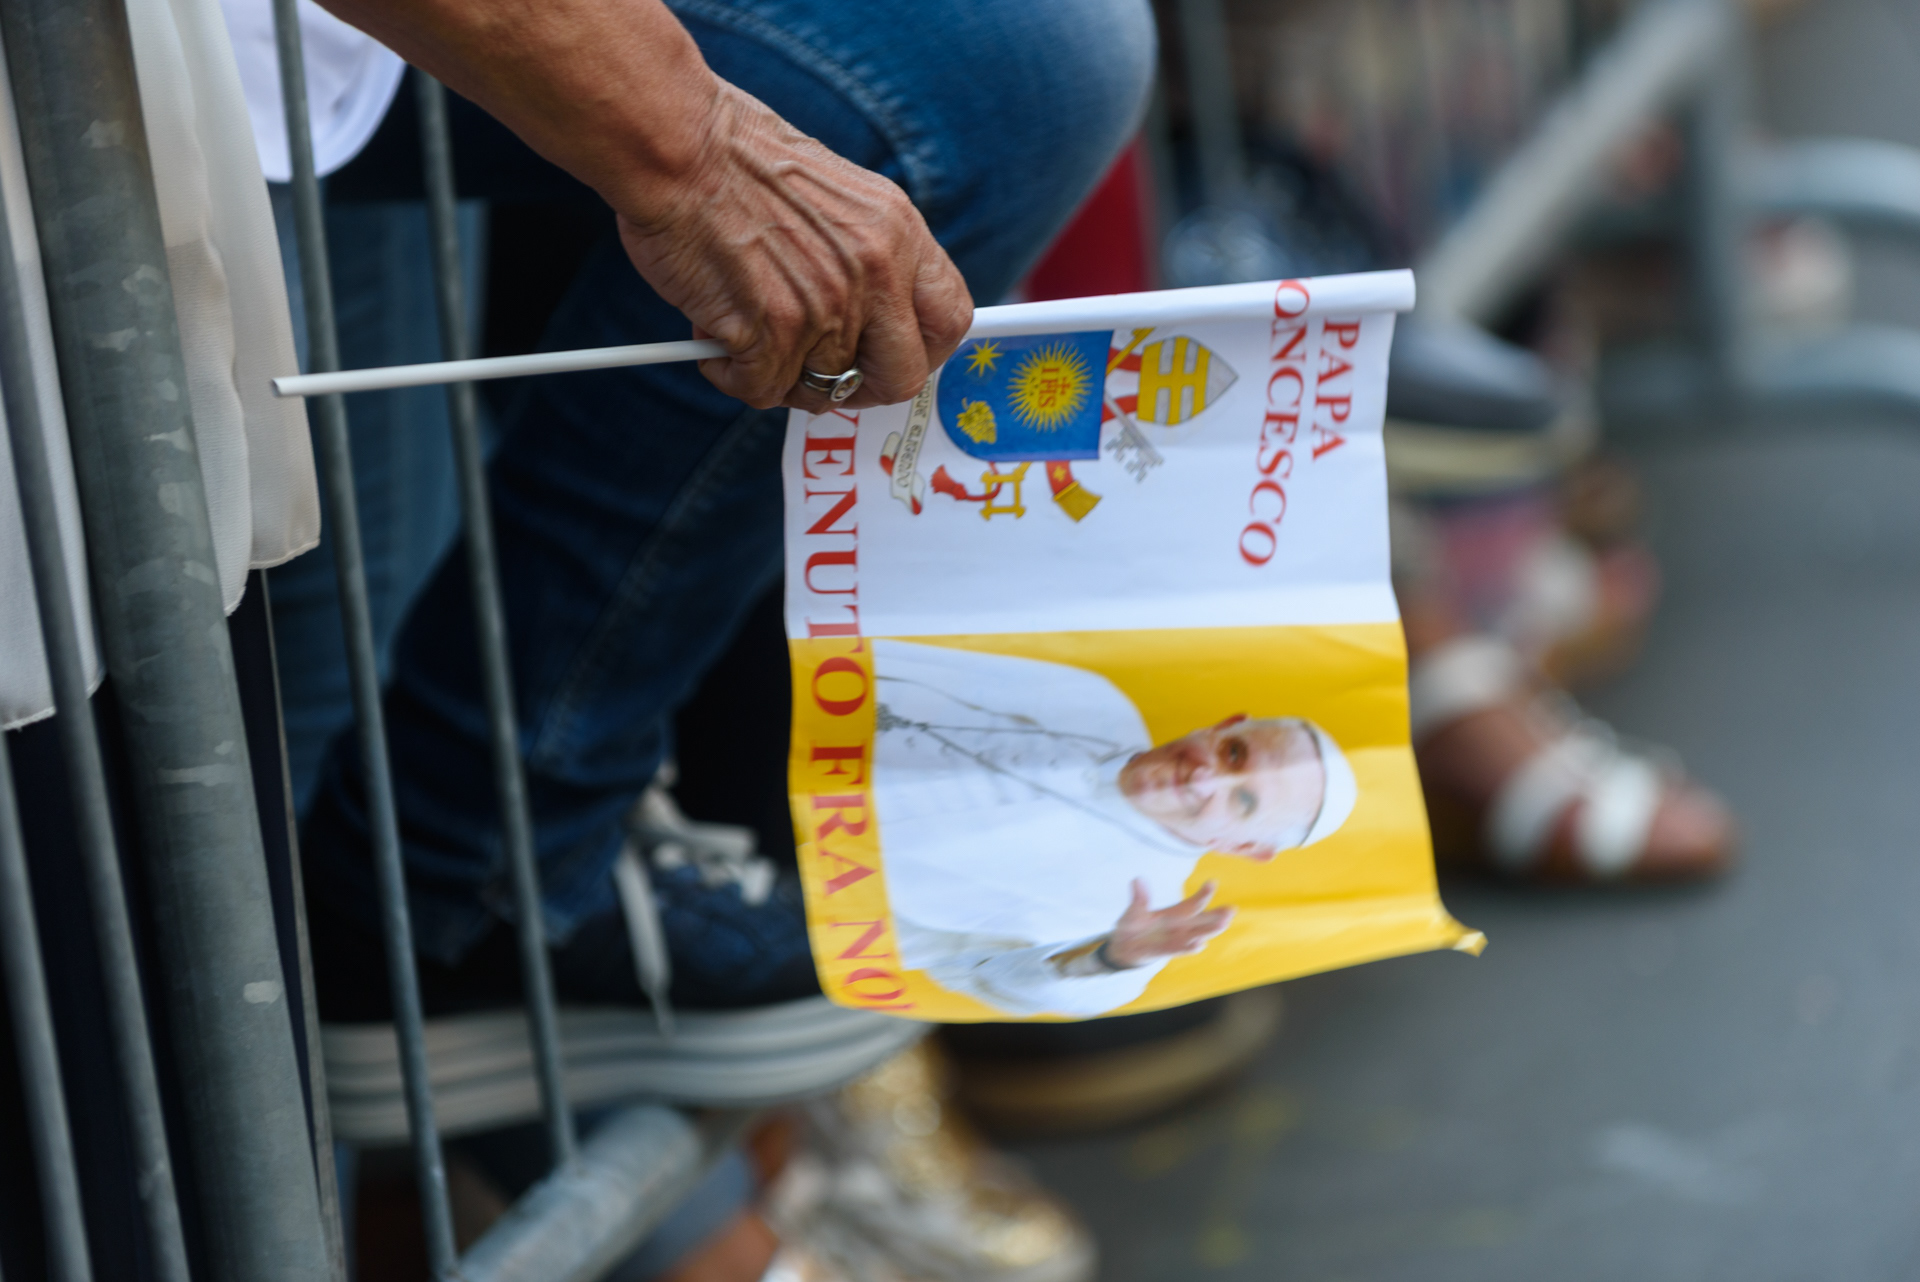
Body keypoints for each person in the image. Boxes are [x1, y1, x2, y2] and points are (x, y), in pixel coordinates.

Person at [871, 639, 1355, 1016]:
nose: (1205, 777)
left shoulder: (1133, 920)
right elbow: (917, 671)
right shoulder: (1096, 702)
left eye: (1242, 799)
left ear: (1244, 846)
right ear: (1222, 724)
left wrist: (1108, 959)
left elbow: (1002, 980)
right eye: (1233, 753)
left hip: (830, 890)